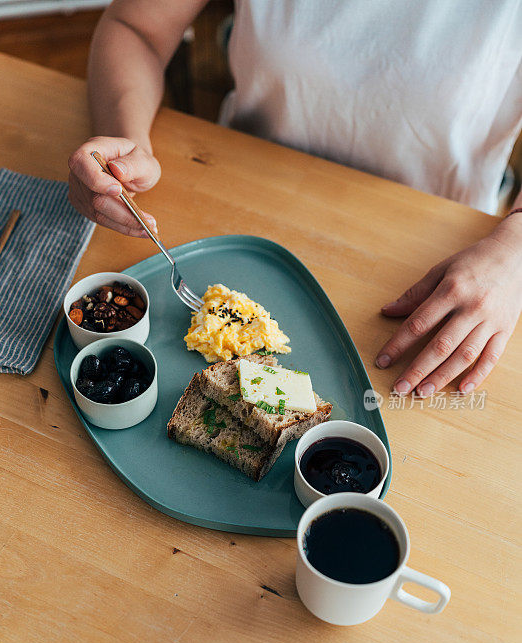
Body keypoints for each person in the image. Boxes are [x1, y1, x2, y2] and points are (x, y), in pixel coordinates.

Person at [68, 0, 522, 397]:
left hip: (434, 258)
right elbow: (136, 27)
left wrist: (514, 248)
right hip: (233, 199)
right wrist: (128, 144)